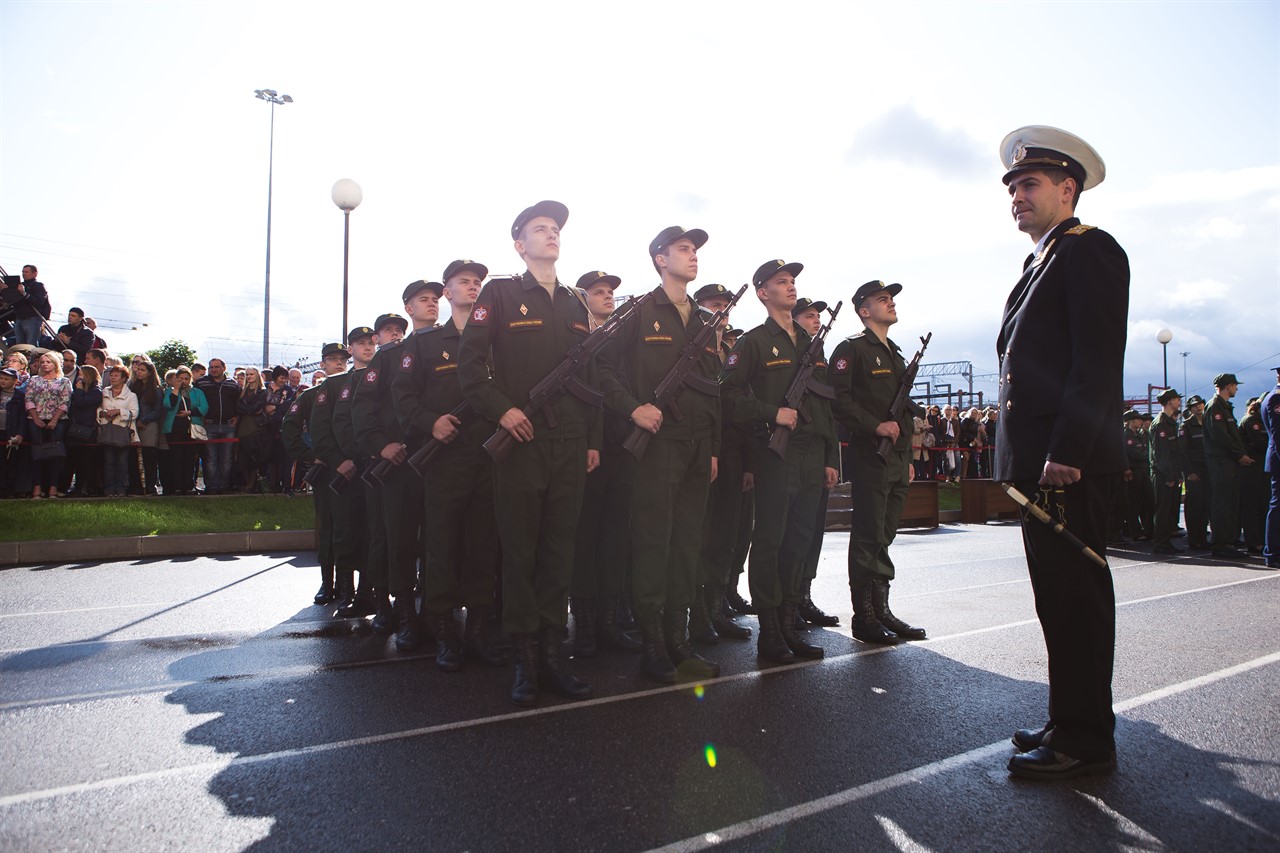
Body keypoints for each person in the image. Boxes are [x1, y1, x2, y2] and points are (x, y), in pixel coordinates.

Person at [994, 125, 1128, 781]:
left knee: (1077, 598)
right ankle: (1068, 716)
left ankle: (1086, 740)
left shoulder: (1089, 252)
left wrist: (1069, 447)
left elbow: (1095, 360)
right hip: (1040, 462)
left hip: (1067, 462)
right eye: (1014, 186)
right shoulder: (1042, 260)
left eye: (1031, 184)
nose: (1018, 194)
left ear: (1068, 189)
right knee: (1057, 599)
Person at [458, 199, 598, 707]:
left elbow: (591, 379)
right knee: (521, 554)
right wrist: (503, 412)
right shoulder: (496, 293)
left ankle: (553, 656)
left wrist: (592, 441)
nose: (552, 234)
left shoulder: (576, 301)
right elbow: (470, 371)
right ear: (520, 244)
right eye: (541, 229)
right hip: (519, 443)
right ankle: (526, 661)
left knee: (559, 552)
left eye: (556, 228)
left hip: (569, 443)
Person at [600, 226, 723, 683]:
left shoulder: (705, 321)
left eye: (695, 250)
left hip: (695, 448)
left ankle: (679, 640)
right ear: (659, 259)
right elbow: (602, 366)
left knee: (687, 545)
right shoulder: (637, 312)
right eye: (684, 249)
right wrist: (632, 407)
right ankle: (653, 644)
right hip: (654, 447)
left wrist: (710, 448)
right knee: (654, 544)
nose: (693, 257)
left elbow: (712, 391)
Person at [722, 259, 838, 664]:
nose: (790, 287)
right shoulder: (752, 342)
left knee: (800, 540)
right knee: (770, 541)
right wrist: (772, 413)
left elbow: (824, 406)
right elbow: (728, 396)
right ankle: (770, 632)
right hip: (775, 454)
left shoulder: (810, 343)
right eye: (781, 282)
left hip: (810, 455)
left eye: (792, 281)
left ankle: (790, 624)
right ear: (762, 293)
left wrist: (829, 456)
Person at [395, 260, 506, 671]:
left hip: (489, 455)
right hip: (444, 460)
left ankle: (477, 631)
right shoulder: (423, 343)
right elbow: (403, 396)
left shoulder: (495, 341)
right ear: (447, 292)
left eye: (479, 282)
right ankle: (445, 633)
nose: (474, 287)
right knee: (441, 547)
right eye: (465, 282)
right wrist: (431, 422)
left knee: (483, 546)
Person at [830, 280, 926, 646]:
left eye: (891, 299)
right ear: (864, 310)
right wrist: (874, 425)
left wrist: (908, 458)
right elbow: (839, 400)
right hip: (871, 455)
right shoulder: (851, 350)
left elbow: (900, 409)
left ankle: (882, 608)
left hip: (897, 459)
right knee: (869, 533)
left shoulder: (895, 353)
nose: (891, 303)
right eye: (882, 299)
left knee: (885, 534)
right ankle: (864, 616)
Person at [569, 270, 644, 656]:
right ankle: (583, 625)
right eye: (599, 292)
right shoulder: (577, 338)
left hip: (624, 448)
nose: (608, 297)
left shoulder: (626, 340)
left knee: (616, 539)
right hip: (587, 450)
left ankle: (609, 621)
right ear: (584, 299)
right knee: (585, 539)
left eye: (611, 291)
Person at [353, 303, 422, 652]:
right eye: (389, 329)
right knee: (390, 538)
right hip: (390, 461)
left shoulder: (421, 350)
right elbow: (363, 410)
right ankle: (389, 603)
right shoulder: (385, 360)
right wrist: (381, 447)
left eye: (399, 328)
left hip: (426, 459)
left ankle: (426, 609)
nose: (395, 333)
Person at [693, 284, 757, 642]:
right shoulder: (694, 353)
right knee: (700, 538)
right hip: (702, 454)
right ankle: (697, 614)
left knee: (725, 539)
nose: (723, 311)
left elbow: (744, 410)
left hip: (731, 457)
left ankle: (716, 609)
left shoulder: (731, 355)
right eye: (716, 305)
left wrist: (748, 464)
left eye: (727, 306)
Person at [283, 343, 350, 606]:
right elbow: (289, 428)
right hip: (326, 470)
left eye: (343, 359)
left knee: (350, 528)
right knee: (328, 528)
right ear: (322, 364)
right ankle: (327, 582)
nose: (338, 363)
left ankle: (347, 586)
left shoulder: (353, 388)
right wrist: (311, 455)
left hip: (351, 466)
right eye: (332, 359)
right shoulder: (311, 395)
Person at [791, 296, 841, 628]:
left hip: (817, 453)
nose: (816, 321)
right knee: (789, 534)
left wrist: (831, 458)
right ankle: (786, 601)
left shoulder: (819, 354)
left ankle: (803, 594)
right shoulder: (788, 349)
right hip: (791, 452)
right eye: (810, 316)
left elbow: (827, 411)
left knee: (812, 533)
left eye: (818, 317)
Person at [1203, 373, 1253, 558]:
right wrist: (1240, 455)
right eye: (1234, 386)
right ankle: (1221, 544)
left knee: (1230, 503)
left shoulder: (1224, 407)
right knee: (1222, 504)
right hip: (1221, 462)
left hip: (1229, 462)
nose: (1236, 389)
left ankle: (1228, 543)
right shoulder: (1215, 406)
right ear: (1228, 386)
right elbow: (1220, 437)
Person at [24, 351, 72, 498]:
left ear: (55, 363)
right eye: (43, 362)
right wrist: (36, 418)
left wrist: (54, 420)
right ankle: (37, 488)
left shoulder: (64, 381)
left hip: (57, 421)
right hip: (35, 420)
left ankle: (53, 487)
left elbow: (65, 402)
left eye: (48, 362)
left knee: (55, 454)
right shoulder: (34, 380)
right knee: (37, 454)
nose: (44, 364)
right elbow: (29, 399)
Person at [1149, 388, 1186, 554]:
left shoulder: (1170, 423)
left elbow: (1174, 453)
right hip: (1163, 475)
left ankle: (1165, 541)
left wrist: (1177, 474)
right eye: (1177, 399)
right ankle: (1160, 543)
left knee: (1169, 509)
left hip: (1170, 473)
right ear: (1170, 401)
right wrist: (1169, 475)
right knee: (1163, 510)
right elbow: (1161, 454)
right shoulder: (1160, 424)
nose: (1179, 402)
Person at [195, 358, 240, 495]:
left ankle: (225, 486)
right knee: (210, 458)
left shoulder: (233, 384)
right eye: (211, 367)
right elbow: (196, 401)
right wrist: (201, 417)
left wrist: (237, 417)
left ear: (224, 368)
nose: (213, 369)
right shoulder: (201, 383)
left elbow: (239, 402)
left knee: (227, 458)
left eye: (217, 367)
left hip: (228, 426)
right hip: (210, 425)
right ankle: (211, 486)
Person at [162, 365, 208, 495]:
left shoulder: (197, 392)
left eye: (186, 378)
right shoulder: (169, 391)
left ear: (190, 379)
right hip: (174, 429)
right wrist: (175, 390)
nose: (183, 381)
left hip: (191, 428)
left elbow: (204, 407)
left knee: (189, 459)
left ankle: (188, 485)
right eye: (180, 378)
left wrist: (189, 413)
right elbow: (168, 405)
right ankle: (176, 486)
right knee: (175, 458)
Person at [99, 365, 140, 497]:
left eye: (116, 375)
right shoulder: (104, 392)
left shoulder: (131, 396)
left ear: (124, 378)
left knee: (122, 462)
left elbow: (134, 413)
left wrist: (118, 411)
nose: (113, 378)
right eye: (111, 375)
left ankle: (121, 489)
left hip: (122, 432)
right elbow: (98, 409)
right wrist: (103, 413)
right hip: (108, 431)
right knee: (108, 461)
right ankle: (109, 489)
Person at [66, 364, 104, 497]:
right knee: (75, 459)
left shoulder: (96, 392)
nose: (79, 377)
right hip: (75, 428)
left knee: (86, 460)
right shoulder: (77, 389)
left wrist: (80, 390)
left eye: (82, 375)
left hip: (87, 430)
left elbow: (82, 403)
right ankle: (77, 485)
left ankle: (85, 486)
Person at [128, 357, 163, 496]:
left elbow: (157, 410)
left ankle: (150, 485)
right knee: (133, 457)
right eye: (138, 370)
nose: (139, 372)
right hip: (134, 424)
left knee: (149, 457)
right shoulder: (133, 387)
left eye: (143, 370)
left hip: (149, 425)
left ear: (150, 372)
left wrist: (144, 420)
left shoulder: (156, 390)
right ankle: (135, 485)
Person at [1180, 395, 1211, 549]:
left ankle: (1203, 536)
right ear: (1190, 409)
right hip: (1194, 470)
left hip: (1207, 468)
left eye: (1200, 404)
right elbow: (1183, 452)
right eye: (1194, 406)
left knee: (1206, 503)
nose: (1198, 407)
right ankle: (1194, 538)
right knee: (1194, 505)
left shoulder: (1208, 422)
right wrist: (1189, 472)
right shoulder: (1186, 426)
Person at [1238, 396, 1269, 555]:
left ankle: (1263, 540)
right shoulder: (1251, 420)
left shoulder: (1263, 420)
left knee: (1264, 506)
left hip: (1262, 469)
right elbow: (1260, 443)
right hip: (1252, 468)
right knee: (1252, 507)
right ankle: (1253, 542)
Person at [234, 366, 270, 493]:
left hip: (256, 426)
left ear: (257, 376)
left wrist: (248, 409)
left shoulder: (263, 391)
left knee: (254, 456)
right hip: (244, 425)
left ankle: (252, 484)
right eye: (247, 374)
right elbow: (238, 407)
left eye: (251, 374)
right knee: (242, 456)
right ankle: (247, 483)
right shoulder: (243, 391)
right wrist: (249, 409)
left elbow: (257, 407)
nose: (249, 377)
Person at [1121, 410, 1153, 540]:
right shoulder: (1125, 435)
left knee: (1146, 502)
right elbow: (1131, 454)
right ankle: (1135, 531)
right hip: (1134, 471)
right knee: (1134, 503)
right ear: (1131, 421)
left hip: (1144, 470)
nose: (1141, 421)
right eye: (1138, 419)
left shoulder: (1139, 435)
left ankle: (1148, 530)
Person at [2, 265, 52, 345]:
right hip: (19, 318)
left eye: (26, 272)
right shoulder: (19, 285)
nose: (24, 274)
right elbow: (11, 300)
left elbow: (39, 302)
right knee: (20, 344)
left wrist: (24, 293)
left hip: (32, 318)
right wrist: (5, 290)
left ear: (34, 273)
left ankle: (31, 357)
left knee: (31, 344)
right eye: (23, 272)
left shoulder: (38, 286)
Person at [1260, 366, 1280, 569]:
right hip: (1278, 460)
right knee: (1277, 508)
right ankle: (1272, 553)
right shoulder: (1275, 398)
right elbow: (1278, 435)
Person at [0, 367, 29, 497]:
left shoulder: (19, 396)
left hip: (11, 432)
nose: (3, 381)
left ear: (15, 381)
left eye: (6, 379)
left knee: (11, 463)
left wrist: (20, 434)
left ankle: (9, 490)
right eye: (1, 378)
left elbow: (23, 417)